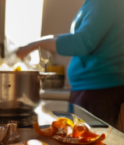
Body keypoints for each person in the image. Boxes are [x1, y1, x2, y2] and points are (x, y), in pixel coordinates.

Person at [16, 0, 124, 128]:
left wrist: (34, 45)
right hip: (95, 89)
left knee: (94, 142)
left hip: (99, 90)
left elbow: (83, 42)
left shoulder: (104, 2)